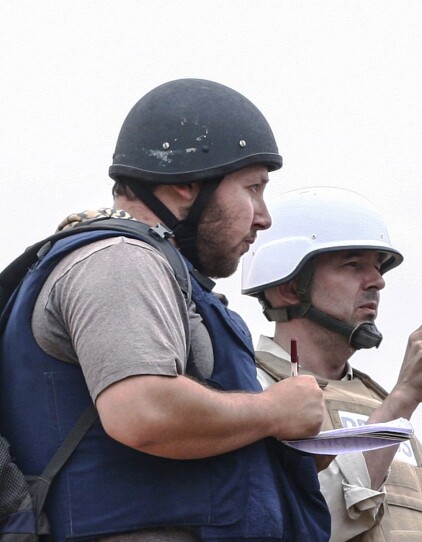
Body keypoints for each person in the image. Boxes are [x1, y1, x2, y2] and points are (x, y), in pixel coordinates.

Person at [0, 79, 331, 541]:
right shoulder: (120, 260)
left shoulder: (162, 272)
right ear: (185, 186)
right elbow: (142, 412)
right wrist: (274, 410)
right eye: (253, 189)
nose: (264, 215)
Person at [240, 186, 422, 541]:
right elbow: (297, 525)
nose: (377, 281)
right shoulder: (250, 390)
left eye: (378, 268)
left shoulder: (372, 398)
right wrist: (403, 399)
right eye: (353, 265)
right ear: (289, 288)